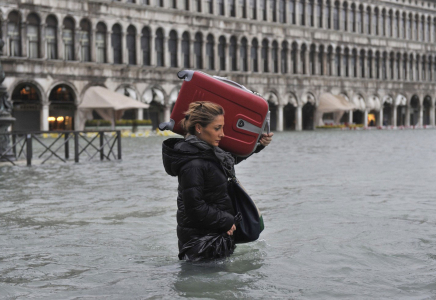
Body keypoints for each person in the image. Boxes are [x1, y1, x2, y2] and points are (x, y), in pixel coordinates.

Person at [162, 101, 273, 260]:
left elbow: (229, 161)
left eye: (222, 127)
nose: (222, 134)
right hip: (200, 246)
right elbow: (194, 207)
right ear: (199, 128)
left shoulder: (209, 152)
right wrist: (227, 221)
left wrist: (258, 145)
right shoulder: (192, 164)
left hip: (213, 240)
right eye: (217, 128)